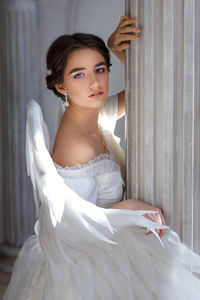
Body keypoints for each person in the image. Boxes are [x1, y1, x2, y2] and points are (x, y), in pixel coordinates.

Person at [3, 16, 200, 300]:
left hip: (113, 244)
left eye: (100, 69)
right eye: (79, 74)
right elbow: (67, 231)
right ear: (61, 87)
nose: (95, 82)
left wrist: (117, 50)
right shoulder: (75, 145)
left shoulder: (94, 117)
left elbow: (143, 94)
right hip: (89, 262)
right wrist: (126, 207)